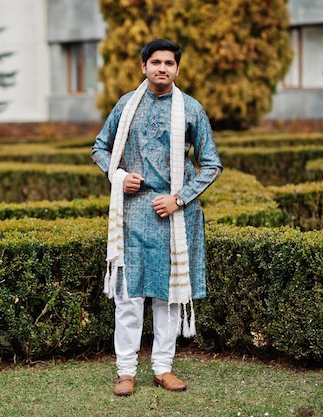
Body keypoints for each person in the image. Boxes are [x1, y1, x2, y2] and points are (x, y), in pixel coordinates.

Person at [91, 39, 222, 396]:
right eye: (155, 62)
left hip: (175, 218)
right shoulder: (125, 106)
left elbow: (211, 164)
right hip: (132, 215)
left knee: (168, 297)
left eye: (169, 62)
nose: (162, 68)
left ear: (177, 69)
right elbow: (99, 147)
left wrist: (179, 198)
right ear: (144, 67)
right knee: (129, 298)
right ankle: (126, 372)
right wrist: (119, 176)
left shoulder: (192, 110)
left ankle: (163, 368)